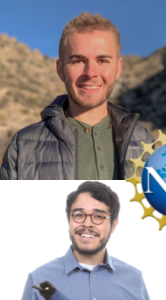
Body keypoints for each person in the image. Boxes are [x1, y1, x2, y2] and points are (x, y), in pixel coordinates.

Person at [9, 181, 163, 300]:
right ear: (69, 220)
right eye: (79, 215)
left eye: (98, 216)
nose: (87, 224)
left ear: (113, 225)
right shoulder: (39, 277)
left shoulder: (134, 278)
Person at [0, 12, 153, 180]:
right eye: (78, 61)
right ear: (60, 70)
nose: (90, 73)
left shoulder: (144, 141)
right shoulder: (22, 145)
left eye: (102, 60)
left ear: (118, 68)